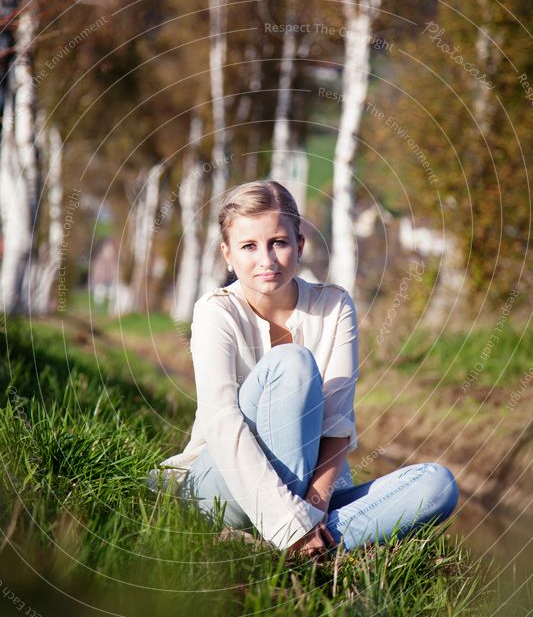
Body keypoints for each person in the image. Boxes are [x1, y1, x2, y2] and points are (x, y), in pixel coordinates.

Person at [150, 180, 458, 559]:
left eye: (278, 242)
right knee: (292, 362)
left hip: (313, 496)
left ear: (300, 245)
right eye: (249, 246)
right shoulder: (216, 312)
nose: (266, 260)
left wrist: (310, 510)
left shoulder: (334, 307)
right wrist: (289, 520)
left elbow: (337, 426)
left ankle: (285, 547)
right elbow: (221, 424)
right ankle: (295, 539)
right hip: (221, 487)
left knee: (437, 485)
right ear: (227, 254)